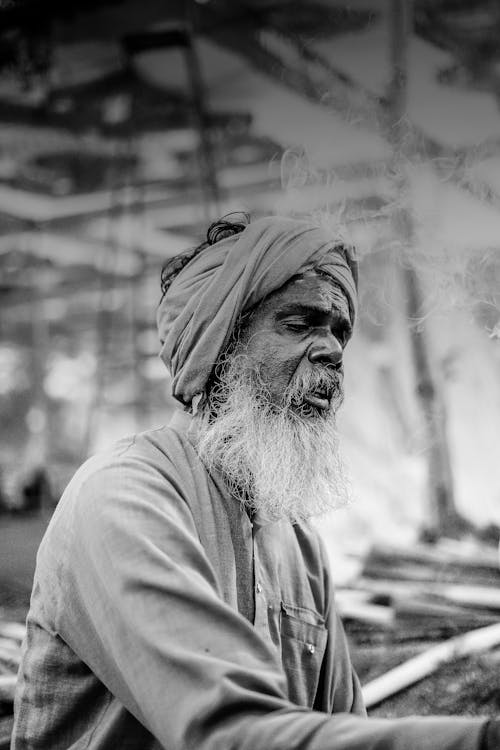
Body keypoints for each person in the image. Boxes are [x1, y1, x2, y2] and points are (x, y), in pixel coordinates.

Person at [11, 214, 498, 749]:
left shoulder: (298, 542)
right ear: (220, 347)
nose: (333, 352)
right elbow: (229, 732)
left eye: (339, 331)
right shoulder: (124, 496)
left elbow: (346, 728)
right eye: (298, 324)